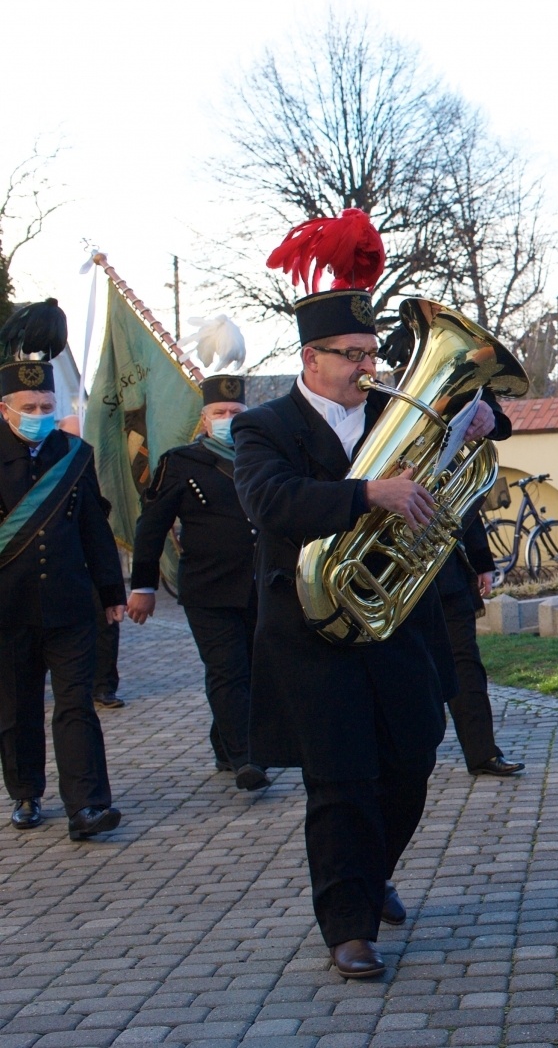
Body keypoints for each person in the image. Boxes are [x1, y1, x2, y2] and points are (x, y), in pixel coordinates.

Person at [232, 209, 497, 978]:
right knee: (340, 779)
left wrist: (484, 418)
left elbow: (482, 426)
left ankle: (372, 871)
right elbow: (272, 502)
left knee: (412, 759)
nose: (367, 367)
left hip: (396, 621)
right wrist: (367, 493)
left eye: (372, 352)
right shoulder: (264, 426)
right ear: (310, 358)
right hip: (310, 628)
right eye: (351, 355)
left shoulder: (393, 410)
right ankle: (347, 925)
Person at [0, 300, 125, 841]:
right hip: (8, 607)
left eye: (47, 404)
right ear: (5, 408)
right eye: (29, 405)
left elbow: (95, 526)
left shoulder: (74, 453)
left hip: (71, 604)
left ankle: (87, 805)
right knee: (17, 707)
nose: (39, 413)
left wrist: (111, 591)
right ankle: (26, 793)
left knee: (76, 706)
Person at [127, 374, 265, 790]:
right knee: (227, 669)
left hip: (259, 584)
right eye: (219, 412)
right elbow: (152, 526)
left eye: (235, 412)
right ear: (204, 420)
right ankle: (246, 758)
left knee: (253, 670)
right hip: (208, 587)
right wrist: (143, 586)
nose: (228, 418)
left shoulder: (262, 456)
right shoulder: (181, 462)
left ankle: (224, 744)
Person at [438, 504, 524, 778]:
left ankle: (483, 753)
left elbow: (465, 503)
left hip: (445, 574)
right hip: (393, 578)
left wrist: (482, 562)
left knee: (466, 665)